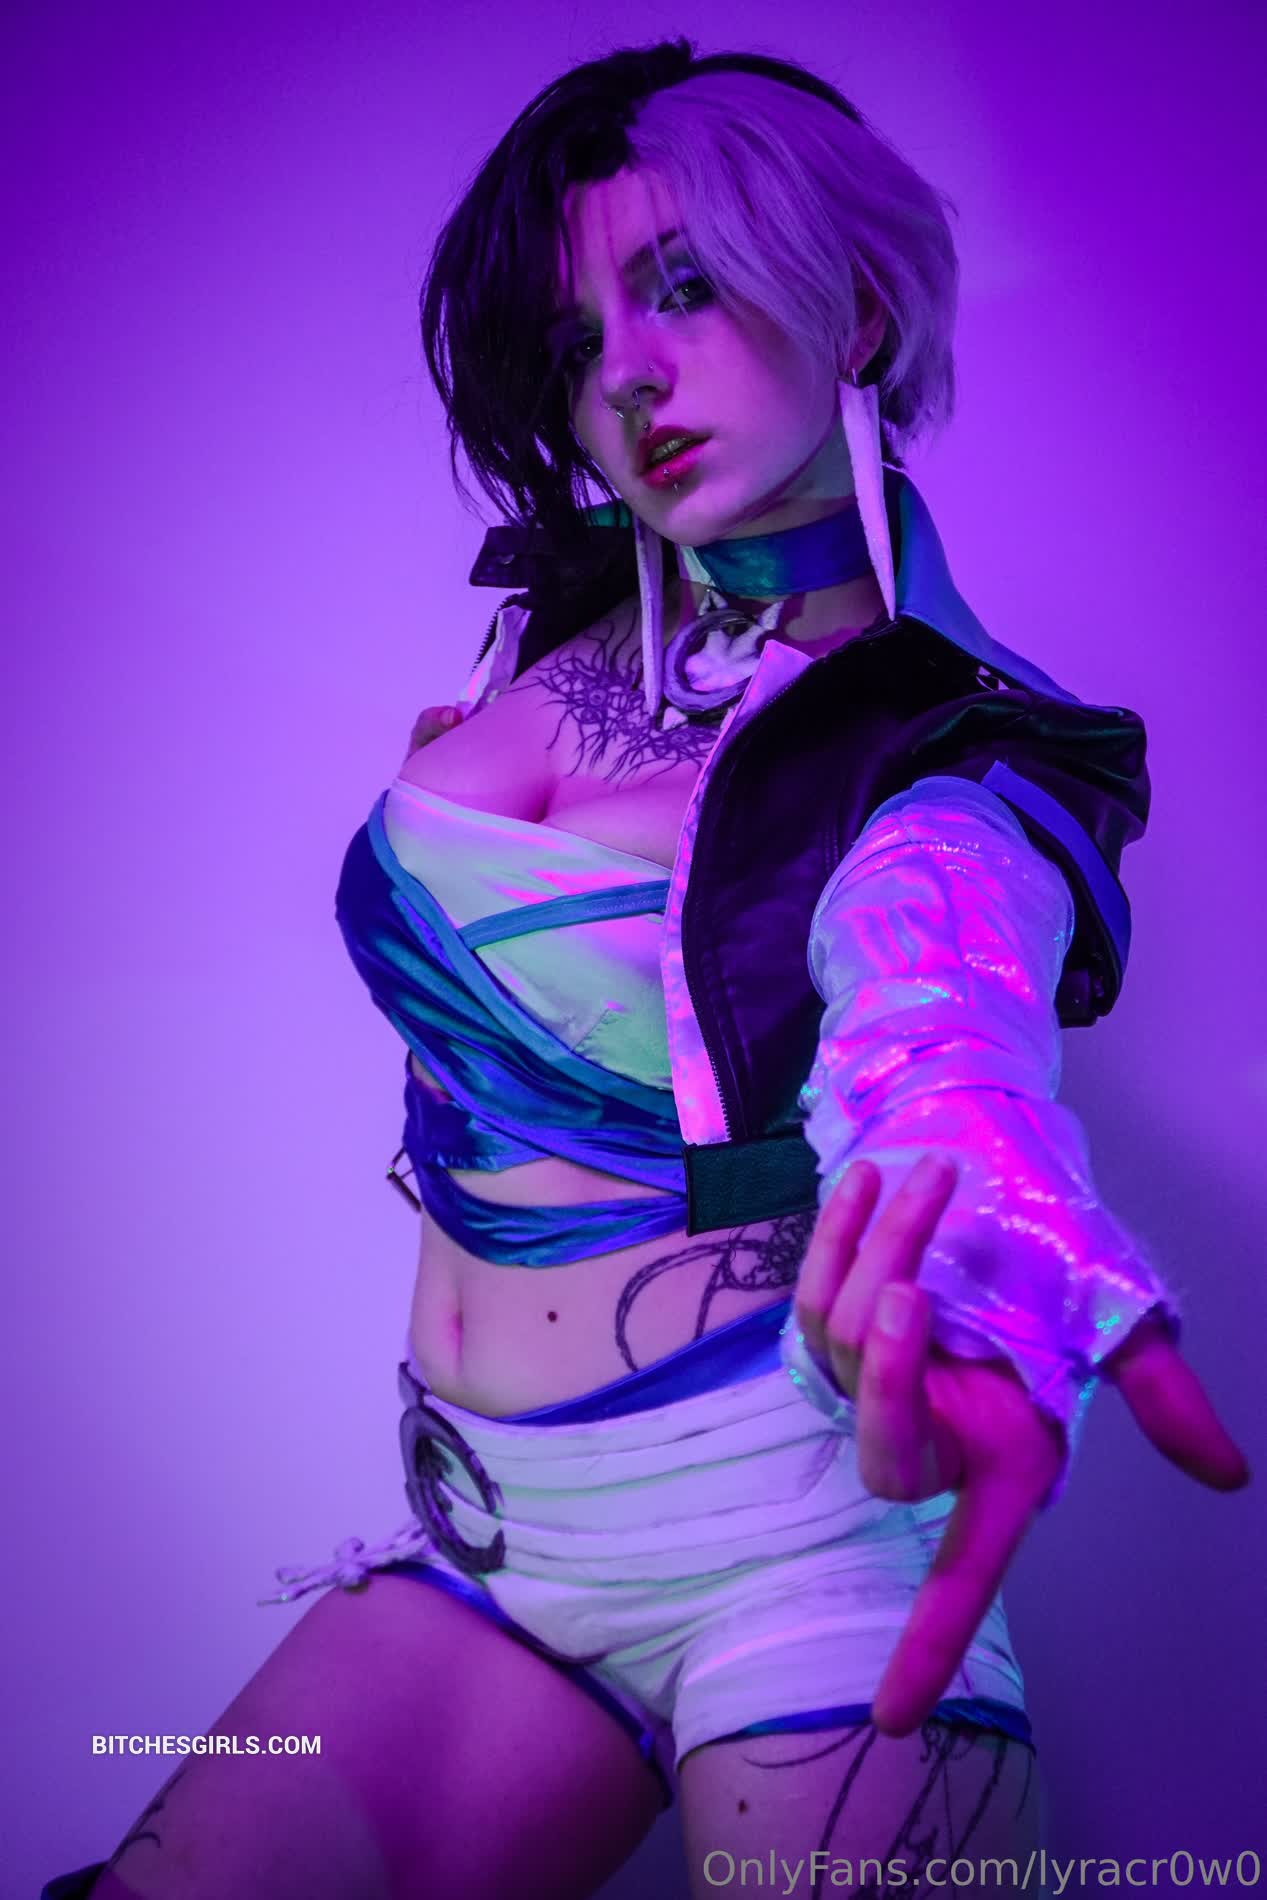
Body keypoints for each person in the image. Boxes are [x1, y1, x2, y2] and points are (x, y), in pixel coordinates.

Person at [43, 38, 1248, 1900]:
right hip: (486, 1555)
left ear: (855, 314)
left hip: (796, 1560)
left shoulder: (953, 753)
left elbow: (935, 965)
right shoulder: (555, 637)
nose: (622, 370)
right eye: (577, 330)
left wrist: (967, 1135)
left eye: (684, 284)